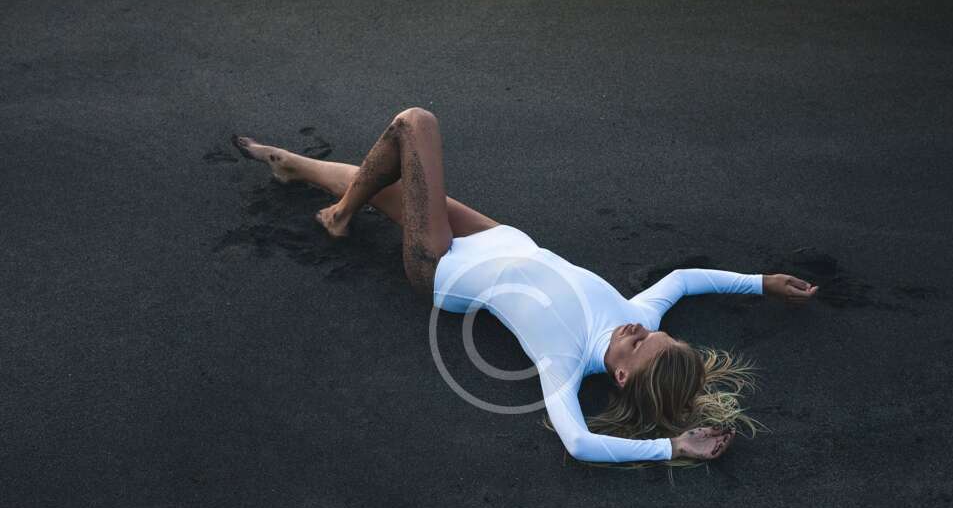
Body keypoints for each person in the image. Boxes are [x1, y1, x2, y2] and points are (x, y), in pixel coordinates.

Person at [232, 107, 818, 464]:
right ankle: (296, 167)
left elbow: (579, 443)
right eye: (653, 332)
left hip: (444, 266)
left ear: (620, 375)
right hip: (498, 238)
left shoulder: (563, 361)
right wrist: (761, 282)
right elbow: (685, 280)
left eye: (640, 343)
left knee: (415, 124)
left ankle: (339, 216)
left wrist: (672, 447)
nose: (639, 328)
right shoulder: (636, 318)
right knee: (388, 187)